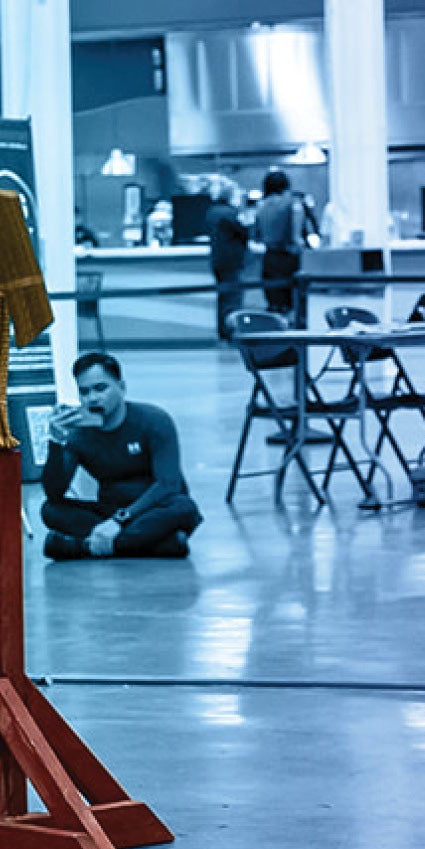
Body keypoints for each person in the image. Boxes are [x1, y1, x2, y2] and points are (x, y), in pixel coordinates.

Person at [40, 352, 204, 560]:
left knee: (184, 507)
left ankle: (84, 548)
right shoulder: (79, 434)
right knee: (51, 510)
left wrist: (120, 521)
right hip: (109, 511)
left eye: (101, 388)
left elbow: (169, 484)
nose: (92, 398)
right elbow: (54, 493)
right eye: (84, 392)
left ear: (122, 387)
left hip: (154, 508)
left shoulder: (154, 421)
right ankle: (159, 546)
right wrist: (56, 442)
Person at [254, 170, 319, 322]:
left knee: (275, 304)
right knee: (294, 304)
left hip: (269, 259)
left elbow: (257, 236)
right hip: (289, 258)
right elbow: (296, 237)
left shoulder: (261, 206)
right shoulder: (293, 203)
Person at [204, 179, 252, 341]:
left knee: (222, 297)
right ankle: (232, 329)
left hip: (218, 260)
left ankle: (223, 329)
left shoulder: (212, 212)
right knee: (232, 297)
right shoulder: (229, 214)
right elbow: (245, 231)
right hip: (231, 260)